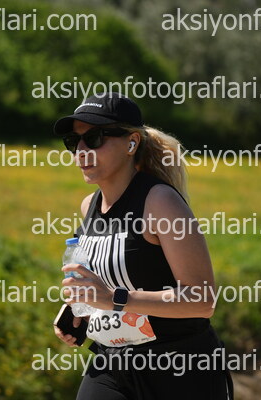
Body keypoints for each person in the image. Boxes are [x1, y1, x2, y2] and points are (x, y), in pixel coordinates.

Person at [53, 92, 233, 400]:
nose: (81, 150)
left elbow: (202, 300)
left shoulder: (160, 202)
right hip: (113, 363)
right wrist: (78, 310)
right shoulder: (89, 206)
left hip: (180, 367)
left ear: (132, 143)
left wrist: (114, 299)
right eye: (74, 141)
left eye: (94, 138)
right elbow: (107, 280)